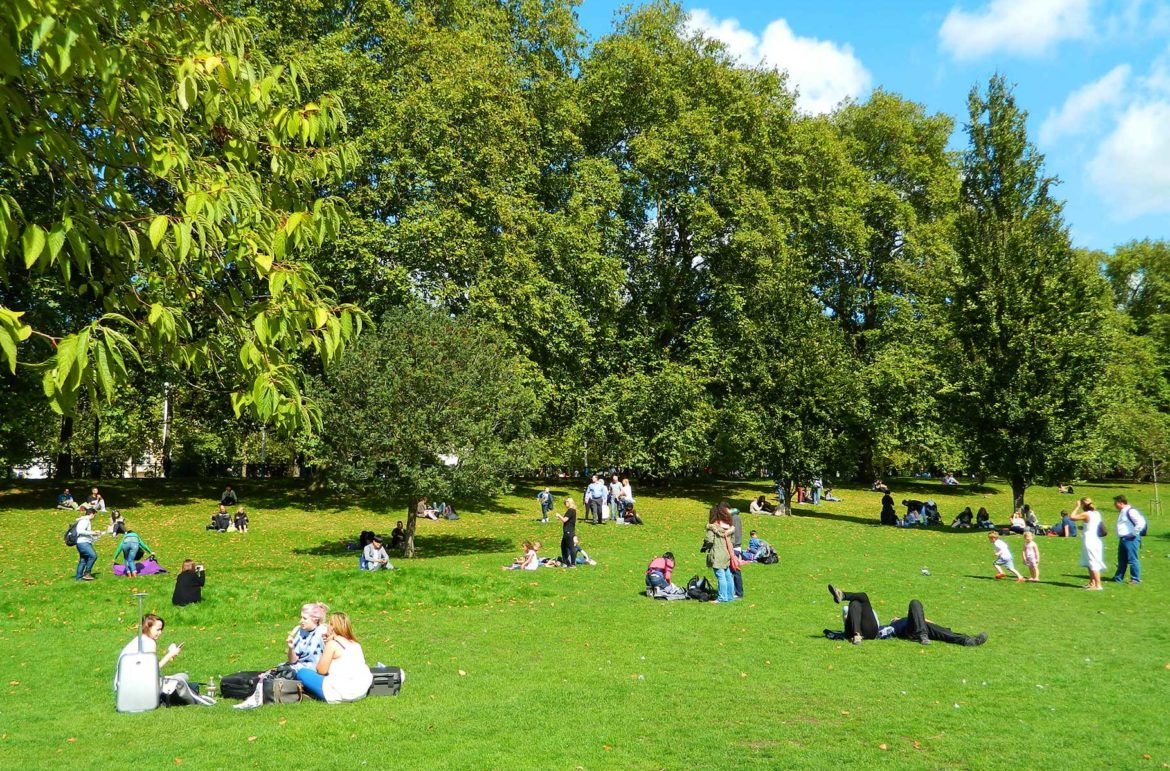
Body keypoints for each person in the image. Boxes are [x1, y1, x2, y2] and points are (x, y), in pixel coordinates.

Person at [825, 585, 988, 647]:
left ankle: (968, 640)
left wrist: (924, 622)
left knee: (916, 603)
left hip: (920, 628)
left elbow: (922, 618)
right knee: (858, 601)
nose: (895, 618)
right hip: (911, 631)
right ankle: (923, 635)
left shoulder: (910, 620)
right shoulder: (896, 626)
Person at [295, 612, 373, 703]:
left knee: (302, 672)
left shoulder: (332, 644)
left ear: (332, 627)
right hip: (361, 690)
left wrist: (327, 645)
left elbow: (321, 670)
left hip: (342, 691)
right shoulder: (355, 644)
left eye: (328, 624)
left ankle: (313, 694)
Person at [1069, 497, 1106, 590]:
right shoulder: (1096, 513)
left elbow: (1072, 517)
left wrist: (1076, 506)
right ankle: (1092, 582)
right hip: (1095, 540)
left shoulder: (1086, 514)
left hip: (1090, 541)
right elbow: (1092, 525)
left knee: (1093, 562)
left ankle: (1098, 585)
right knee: (1090, 562)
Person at [703, 505, 736, 603]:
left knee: (721, 576)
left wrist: (706, 545)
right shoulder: (729, 528)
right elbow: (733, 541)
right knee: (728, 575)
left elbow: (709, 540)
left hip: (717, 553)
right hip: (727, 553)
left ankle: (722, 598)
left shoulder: (712, 527)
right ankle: (730, 596)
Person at [1112, 494, 1147, 585]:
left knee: (1132, 559)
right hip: (1123, 538)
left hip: (1131, 539)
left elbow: (1141, 522)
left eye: (1115, 503)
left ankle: (1135, 579)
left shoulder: (1131, 511)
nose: (1114, 505)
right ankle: (1118, 578)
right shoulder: (1123, 511)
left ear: (1120, 502)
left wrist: (1133, 534)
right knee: (1122, 559)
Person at [287, 603, 329, 670]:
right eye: (301, 617)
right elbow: (293, 661)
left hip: (315, 671)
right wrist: (291, 648)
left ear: (315, 620)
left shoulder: (323, 632)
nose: (301, 621)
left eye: (304, 618)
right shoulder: (301, 631)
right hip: (299, 667)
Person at [73, 506, 102, 581]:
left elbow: (85, 532)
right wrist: (93, 532)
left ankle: (78, 578)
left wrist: (94, 534)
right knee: (93, 556)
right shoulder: (85, 520)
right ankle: (87, 573)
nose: (94, 517)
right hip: (83, 543)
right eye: (95, 515)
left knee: (83, 560)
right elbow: (80, 531)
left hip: (83, 542)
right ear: (91, 514)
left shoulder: (85, 520)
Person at [555, 498, 578, 568]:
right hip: (567, 531)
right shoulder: (571, 510)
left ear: (570, 502)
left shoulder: (571, 510)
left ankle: (573, 564)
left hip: (569, 531)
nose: (565, 504)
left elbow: (565, 520)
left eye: (566, 502)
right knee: (563, 546)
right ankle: (565, 563)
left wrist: (559, 516)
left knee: (571, 547)